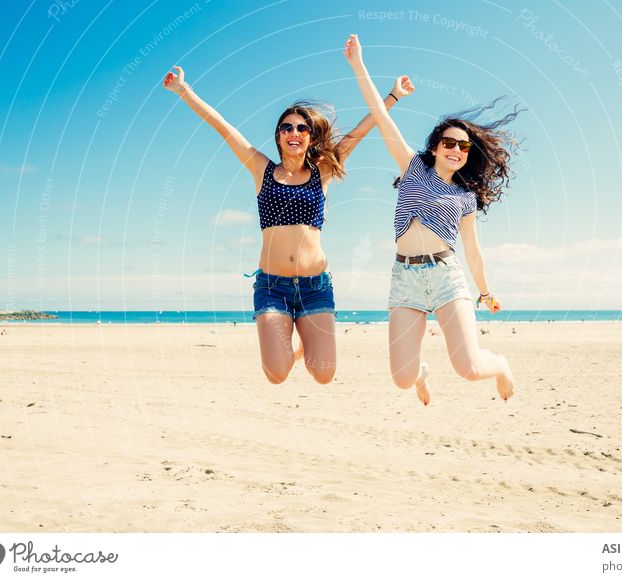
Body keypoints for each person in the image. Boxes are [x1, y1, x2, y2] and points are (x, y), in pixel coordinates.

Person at [163, 65, 414, 384]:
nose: (294, 132)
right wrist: (184, 90)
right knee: (277, 374)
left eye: (301, 128)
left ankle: (301, 345)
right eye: (286, 127)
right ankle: (286, 347)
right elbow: (223, 127)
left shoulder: (323, 172)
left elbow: (358, 133)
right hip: (272, 287)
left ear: (310, 137)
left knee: (324, 374)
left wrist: (393, 96)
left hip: (315, 287)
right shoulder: (261, 169)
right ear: (279, 136)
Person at [345, 34, 519, 405]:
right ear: (437, 146)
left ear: (468, 154)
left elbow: (473, 252)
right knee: (401, 378)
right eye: (450, 143)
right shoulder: (412, 166)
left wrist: (486, 293)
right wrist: (359, 64)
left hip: (446, 277)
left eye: (463, 146)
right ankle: (422, 374)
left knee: (469, 368)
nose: (456, 150)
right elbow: (379, 114)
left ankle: (500, 363)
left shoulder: (465, 197)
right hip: (404, 277)